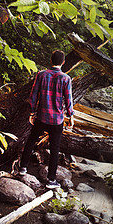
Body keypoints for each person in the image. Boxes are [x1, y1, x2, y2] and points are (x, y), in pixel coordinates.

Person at [19, 50, 74, 189]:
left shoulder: (41, 75)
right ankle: (51, 180)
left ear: (51, 60)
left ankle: (23, 168)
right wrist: (71, 116)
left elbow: (33, 95)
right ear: (63, 62)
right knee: (55, 149)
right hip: (57, 120)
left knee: (31, 140)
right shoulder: (66, 78)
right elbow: (68, 100)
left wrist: (32, 112)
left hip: (41, 116)